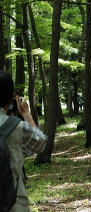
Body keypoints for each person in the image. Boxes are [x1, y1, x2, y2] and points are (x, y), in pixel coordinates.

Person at [0, 71, 47, 211]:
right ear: (10, 98)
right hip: (13, 203)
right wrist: (26, 114)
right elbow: (40, 143)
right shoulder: (17, 127)